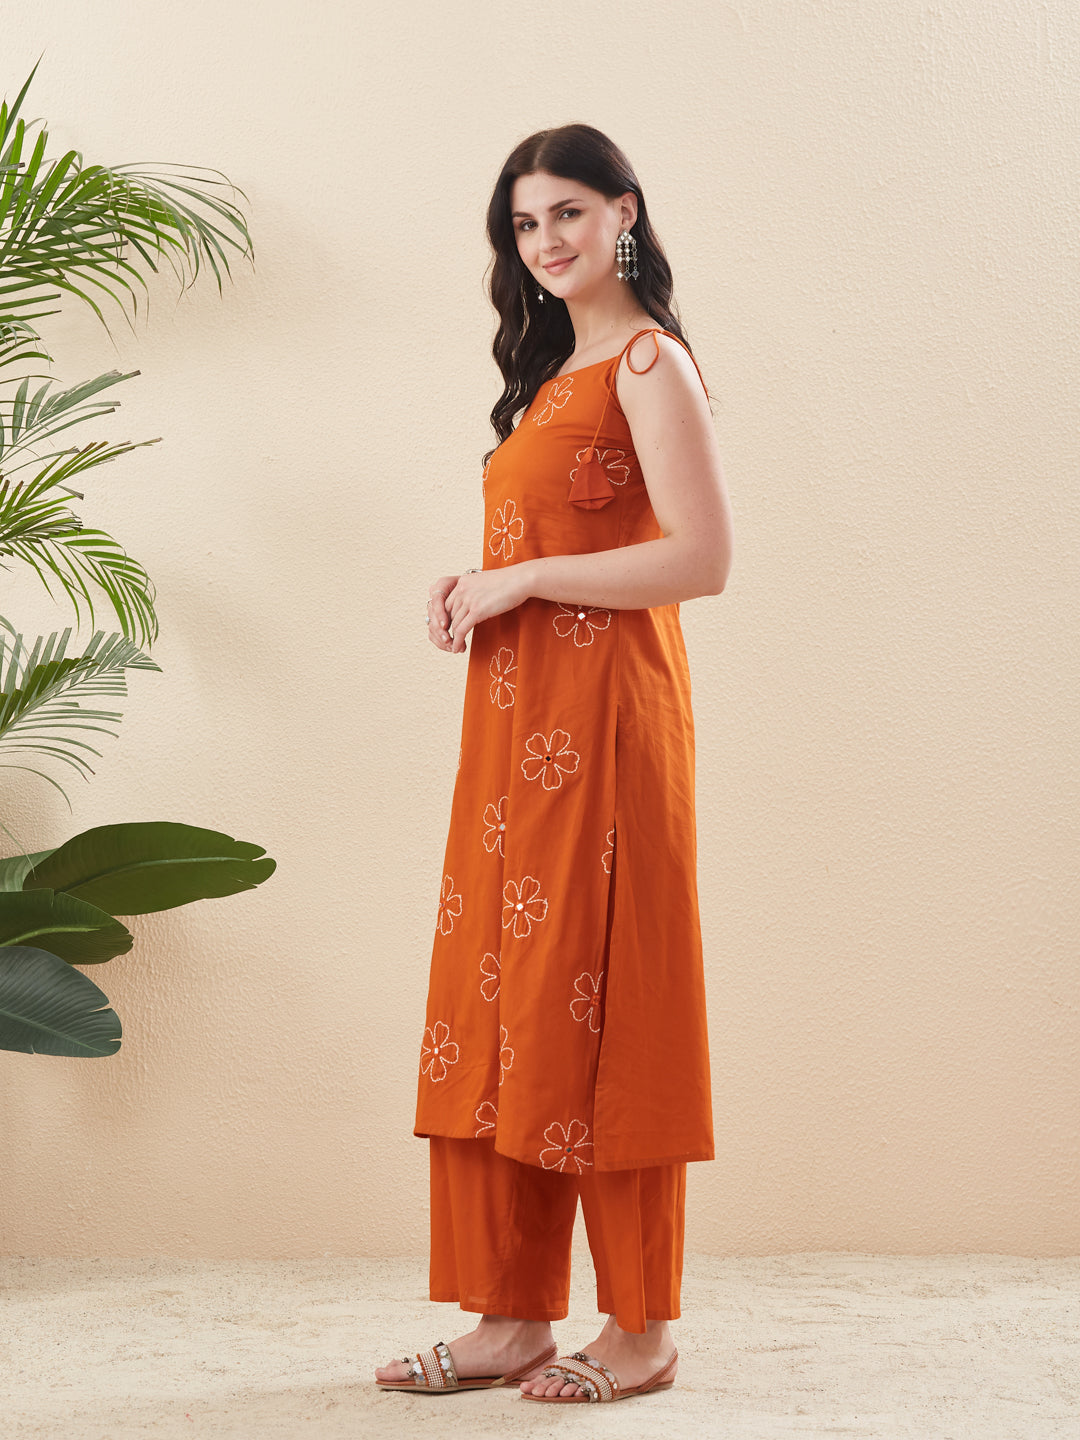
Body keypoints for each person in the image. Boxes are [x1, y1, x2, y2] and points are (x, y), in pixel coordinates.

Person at [375, 123, 732, 1406]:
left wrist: (522, 578)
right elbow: (556, 538)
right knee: (507, 998)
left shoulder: (647, 362)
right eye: (525, 225)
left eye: (568, 212)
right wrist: (479, 583)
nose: (546, 242)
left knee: (610, 1004)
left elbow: (701, 558)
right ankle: (512, 1315)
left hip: (610, 733)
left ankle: (641, 1330)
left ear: (624, 211)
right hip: (514, 740)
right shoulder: (551, 375)